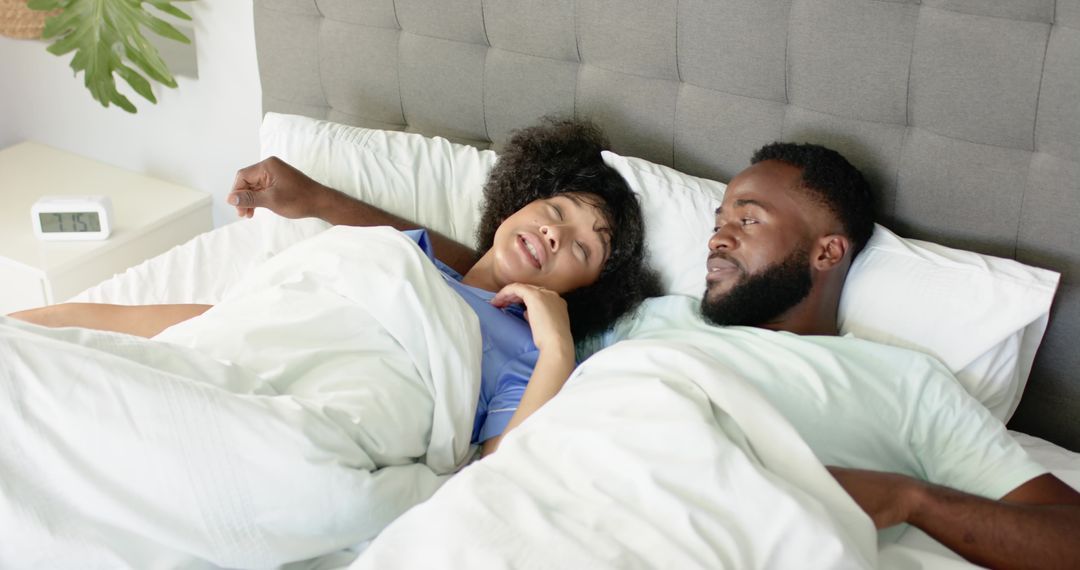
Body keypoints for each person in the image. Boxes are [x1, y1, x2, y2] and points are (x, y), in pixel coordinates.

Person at [10, 118, 661, 456]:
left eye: (582, 246)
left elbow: (495, 468)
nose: (555, 233)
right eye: (555, 209)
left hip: (357, 408)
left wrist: (555, 352)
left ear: (581, 289)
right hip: (264, 346)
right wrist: (29, 327)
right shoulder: (409, 255)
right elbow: (230, 323)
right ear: (519, 201)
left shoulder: (527, 349)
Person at [596, 142, 1080, 568]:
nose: (717, 239)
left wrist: (910, 500)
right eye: (719, 221)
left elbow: (1068, 536)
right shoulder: (653, 317)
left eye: (747, 219)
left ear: (827, 253)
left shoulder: (905, 384)